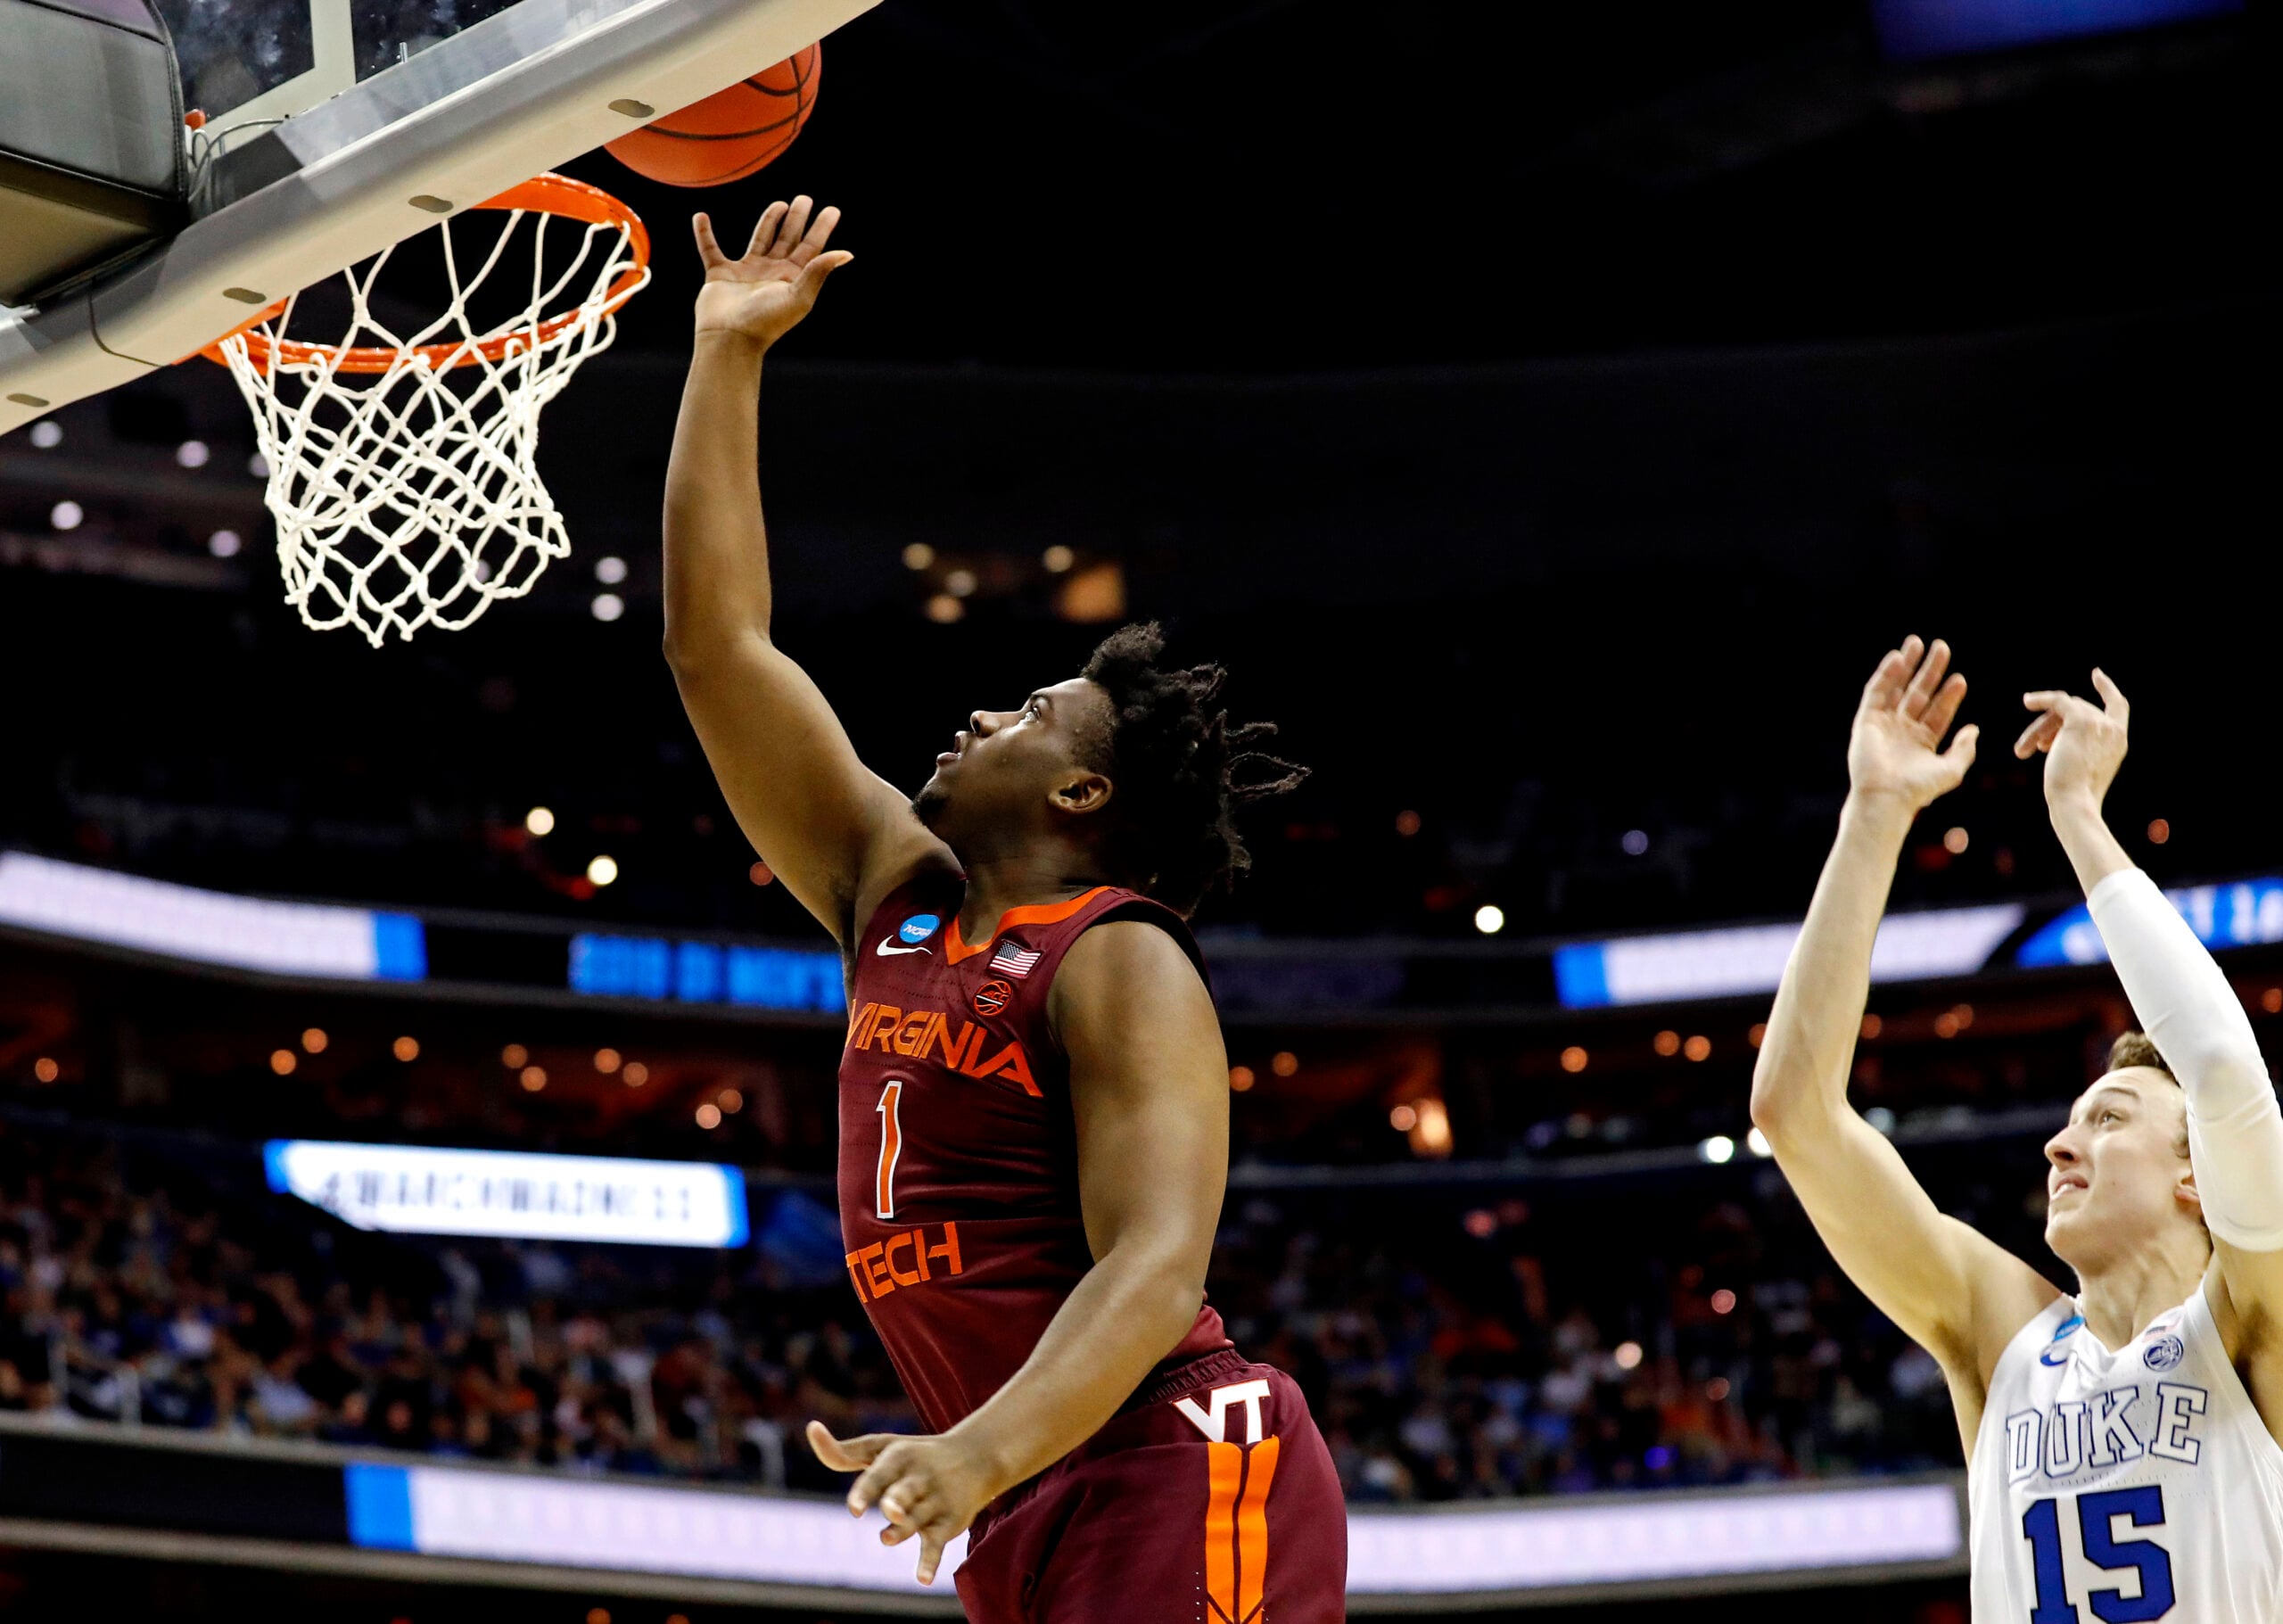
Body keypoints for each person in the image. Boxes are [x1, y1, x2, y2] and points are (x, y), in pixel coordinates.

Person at [660, 195, 1348, 1620]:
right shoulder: (892, 892)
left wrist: (975, 1450)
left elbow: (1158, 1269)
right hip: (1023, 1482)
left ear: (1083, 800)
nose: (984, 712)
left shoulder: (1118, 959)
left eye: (1033, 711)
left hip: (1165, 1452)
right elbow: (718, 650)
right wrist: (728, 353)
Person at [1751, 636, 2282, 1620]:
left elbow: (2220, 1067)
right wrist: (1873, 815)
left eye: (2110, 1118)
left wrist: (2078, 816)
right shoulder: (2007, 1342)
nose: (2058, 1145)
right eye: (2071, 1121)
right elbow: (1796, 1117)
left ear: (2194, 1176)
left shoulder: (2254, 1322)